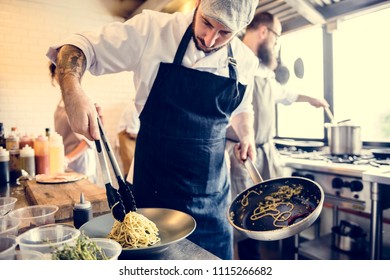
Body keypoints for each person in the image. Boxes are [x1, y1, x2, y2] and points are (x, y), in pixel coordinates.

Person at [46, 0, 260, 260]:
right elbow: (79, 45)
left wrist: (246, 133)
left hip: (212, 203)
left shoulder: (246, 61)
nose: (210, 38)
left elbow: (241, 109)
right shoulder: (153, 30)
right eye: (206, 22)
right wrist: (73, 91)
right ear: (198, 3)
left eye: (225, 32)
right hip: (152, 196)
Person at [226, 12, 330, 260]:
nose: (275, 44)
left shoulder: (264, 70)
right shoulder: (233, 58)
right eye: (276, 37)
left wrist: (311, 99)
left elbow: (285, 94)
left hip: (265, 151)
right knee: (246, 218)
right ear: (264, 32)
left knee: (277, 211)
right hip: (239, 154)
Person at [49, 63, 98, 184]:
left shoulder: (81, 100)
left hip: (81, 162)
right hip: (66, 162)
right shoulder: (62, 100)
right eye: (57, 73)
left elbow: (89, 140)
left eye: (63, 73)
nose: (60, 77)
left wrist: (68, 158)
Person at [117, 101, 140, 178]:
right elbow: (132, 133)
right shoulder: (133, 108)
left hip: (133, 143)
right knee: (131, 174)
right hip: (127, 142)